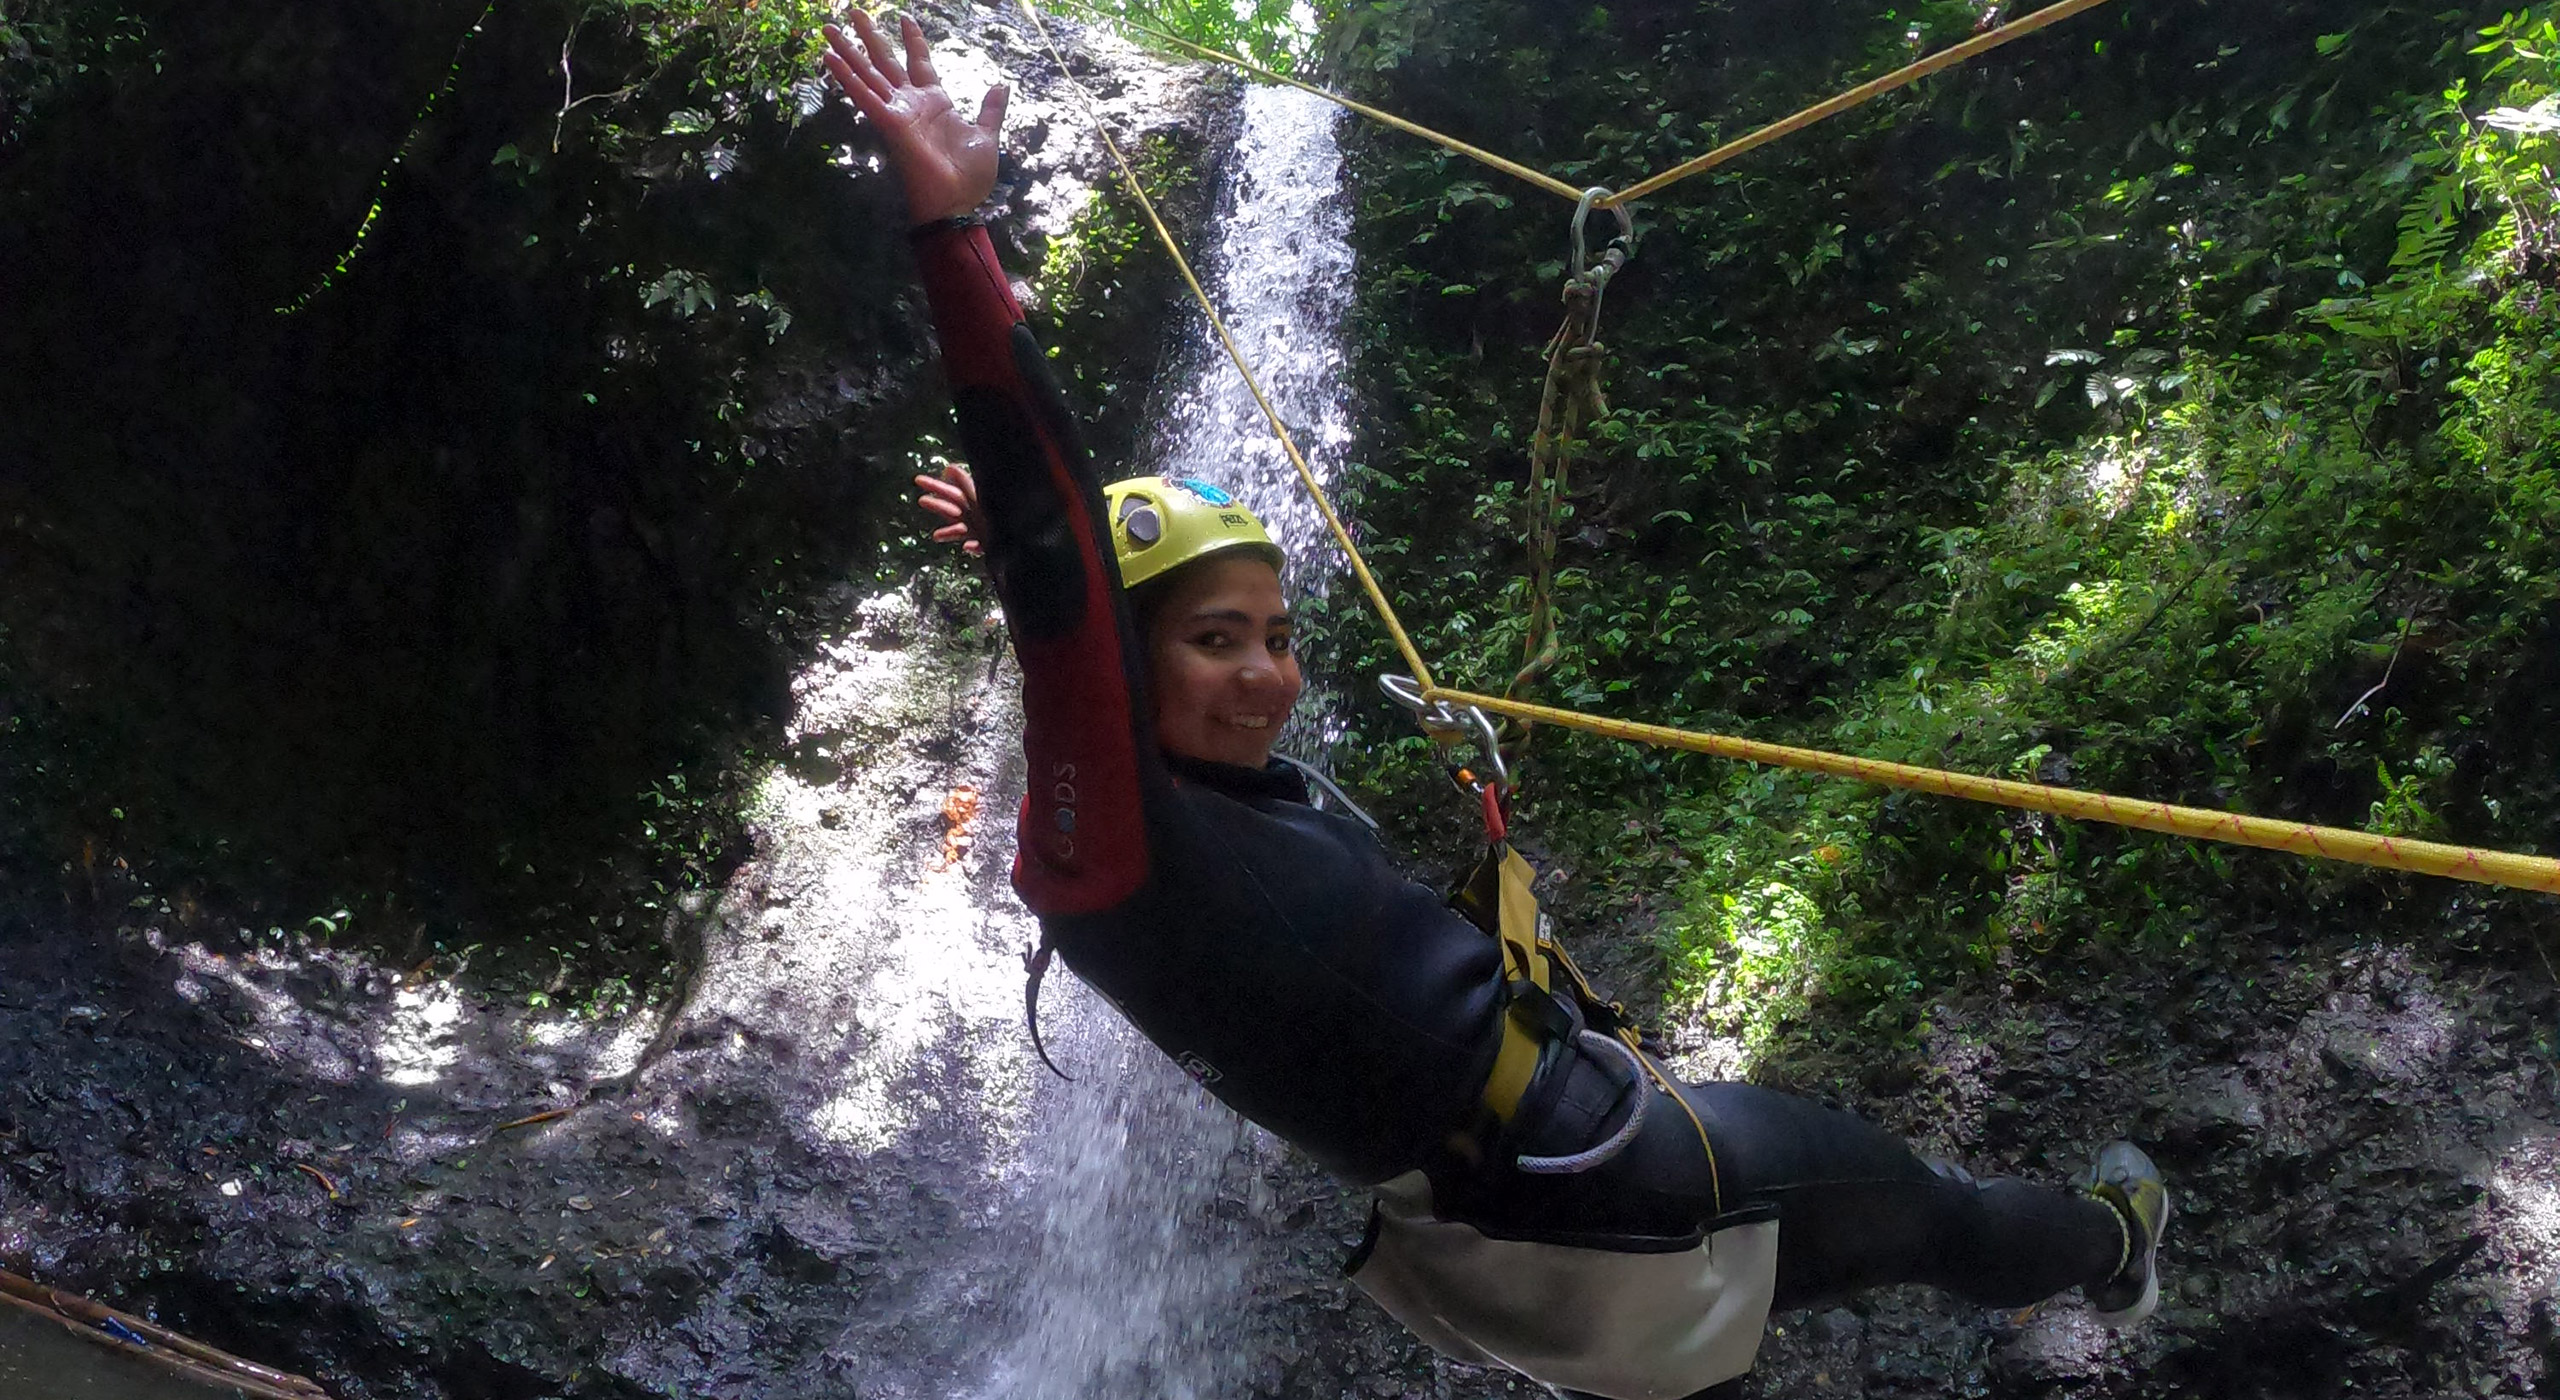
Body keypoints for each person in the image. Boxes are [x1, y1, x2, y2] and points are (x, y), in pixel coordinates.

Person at [819, 13, 2170, 1398]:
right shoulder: (1112, 842)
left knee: (1893, 1239)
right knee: (1925, 1213)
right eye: (1217, 640)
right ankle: (2120, 1247)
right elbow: (1070, 608)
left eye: (1281, 638)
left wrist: (1022, 562)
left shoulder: (1166, 826)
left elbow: (1070, 607)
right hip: (1619, 1179)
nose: (1271, 676)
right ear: (1122, 653)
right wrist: (955, 230)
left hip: (1511, 1221)